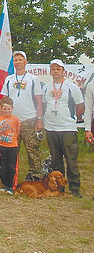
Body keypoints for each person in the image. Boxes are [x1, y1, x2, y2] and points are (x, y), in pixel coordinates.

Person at [42, 59, 84, 198]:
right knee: (56, 159)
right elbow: (43, 104)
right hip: (51, 127)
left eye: (58, 69)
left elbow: (80, 105)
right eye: (53, 69)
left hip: (67, 128)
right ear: (50, 71)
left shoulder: (71, 87)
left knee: (71, 159)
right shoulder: (47, 87)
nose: (55, 71)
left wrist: (73, 118)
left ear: (63, 71)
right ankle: (59, 188)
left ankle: (75, 188)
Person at [1, 51, 44, 180]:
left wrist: (40, 119)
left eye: (20, 60)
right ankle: (11, 178)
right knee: (11, 151)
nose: (18, 62)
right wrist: (2, 120)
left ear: (26, 62)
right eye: (15, 60)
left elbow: (38, 100)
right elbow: (4, 100)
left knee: (32, 150)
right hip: (12, 121)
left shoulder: (33, 79)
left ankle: (36, 176)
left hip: (29, 119)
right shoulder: (9, 79)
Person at [0, 97, 20, 194]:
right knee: (3, 166)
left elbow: (17, 131)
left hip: (12, 146)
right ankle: (4, 184)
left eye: (9, 109)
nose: (7, 111)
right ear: (1, 109)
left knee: (12, 166)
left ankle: (12, 186)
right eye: (4, 109)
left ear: (12, 108)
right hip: (2, 146)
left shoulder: (15, 119)